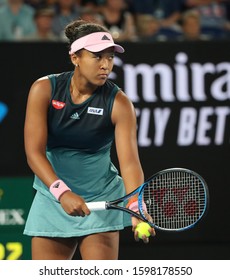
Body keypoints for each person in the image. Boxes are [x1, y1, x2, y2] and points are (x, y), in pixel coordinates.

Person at [23, 19, 155, 260]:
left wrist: (136, 205)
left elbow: (129, 163)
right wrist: (61, 192)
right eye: (97, 57)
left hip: (101, 199)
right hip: (53, 196)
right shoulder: (43, 89)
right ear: (75, 57)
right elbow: (34, 152)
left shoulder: (120, 103)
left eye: (110, 57)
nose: (106, 65)